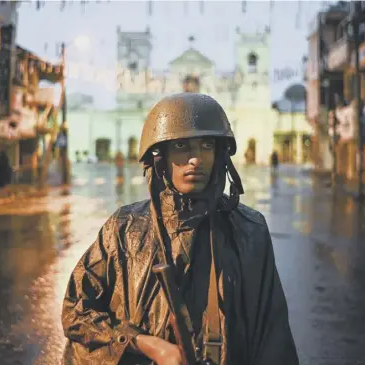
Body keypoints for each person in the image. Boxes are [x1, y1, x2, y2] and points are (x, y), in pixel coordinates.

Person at [62, 93, 298, 365]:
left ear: (219, 155)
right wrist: (142, 343)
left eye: (206, 145)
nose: (195, 159)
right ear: (161, 157)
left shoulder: (249, 231)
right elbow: (76, 311)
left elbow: (274, 339)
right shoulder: (124, 230)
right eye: (182, 145)